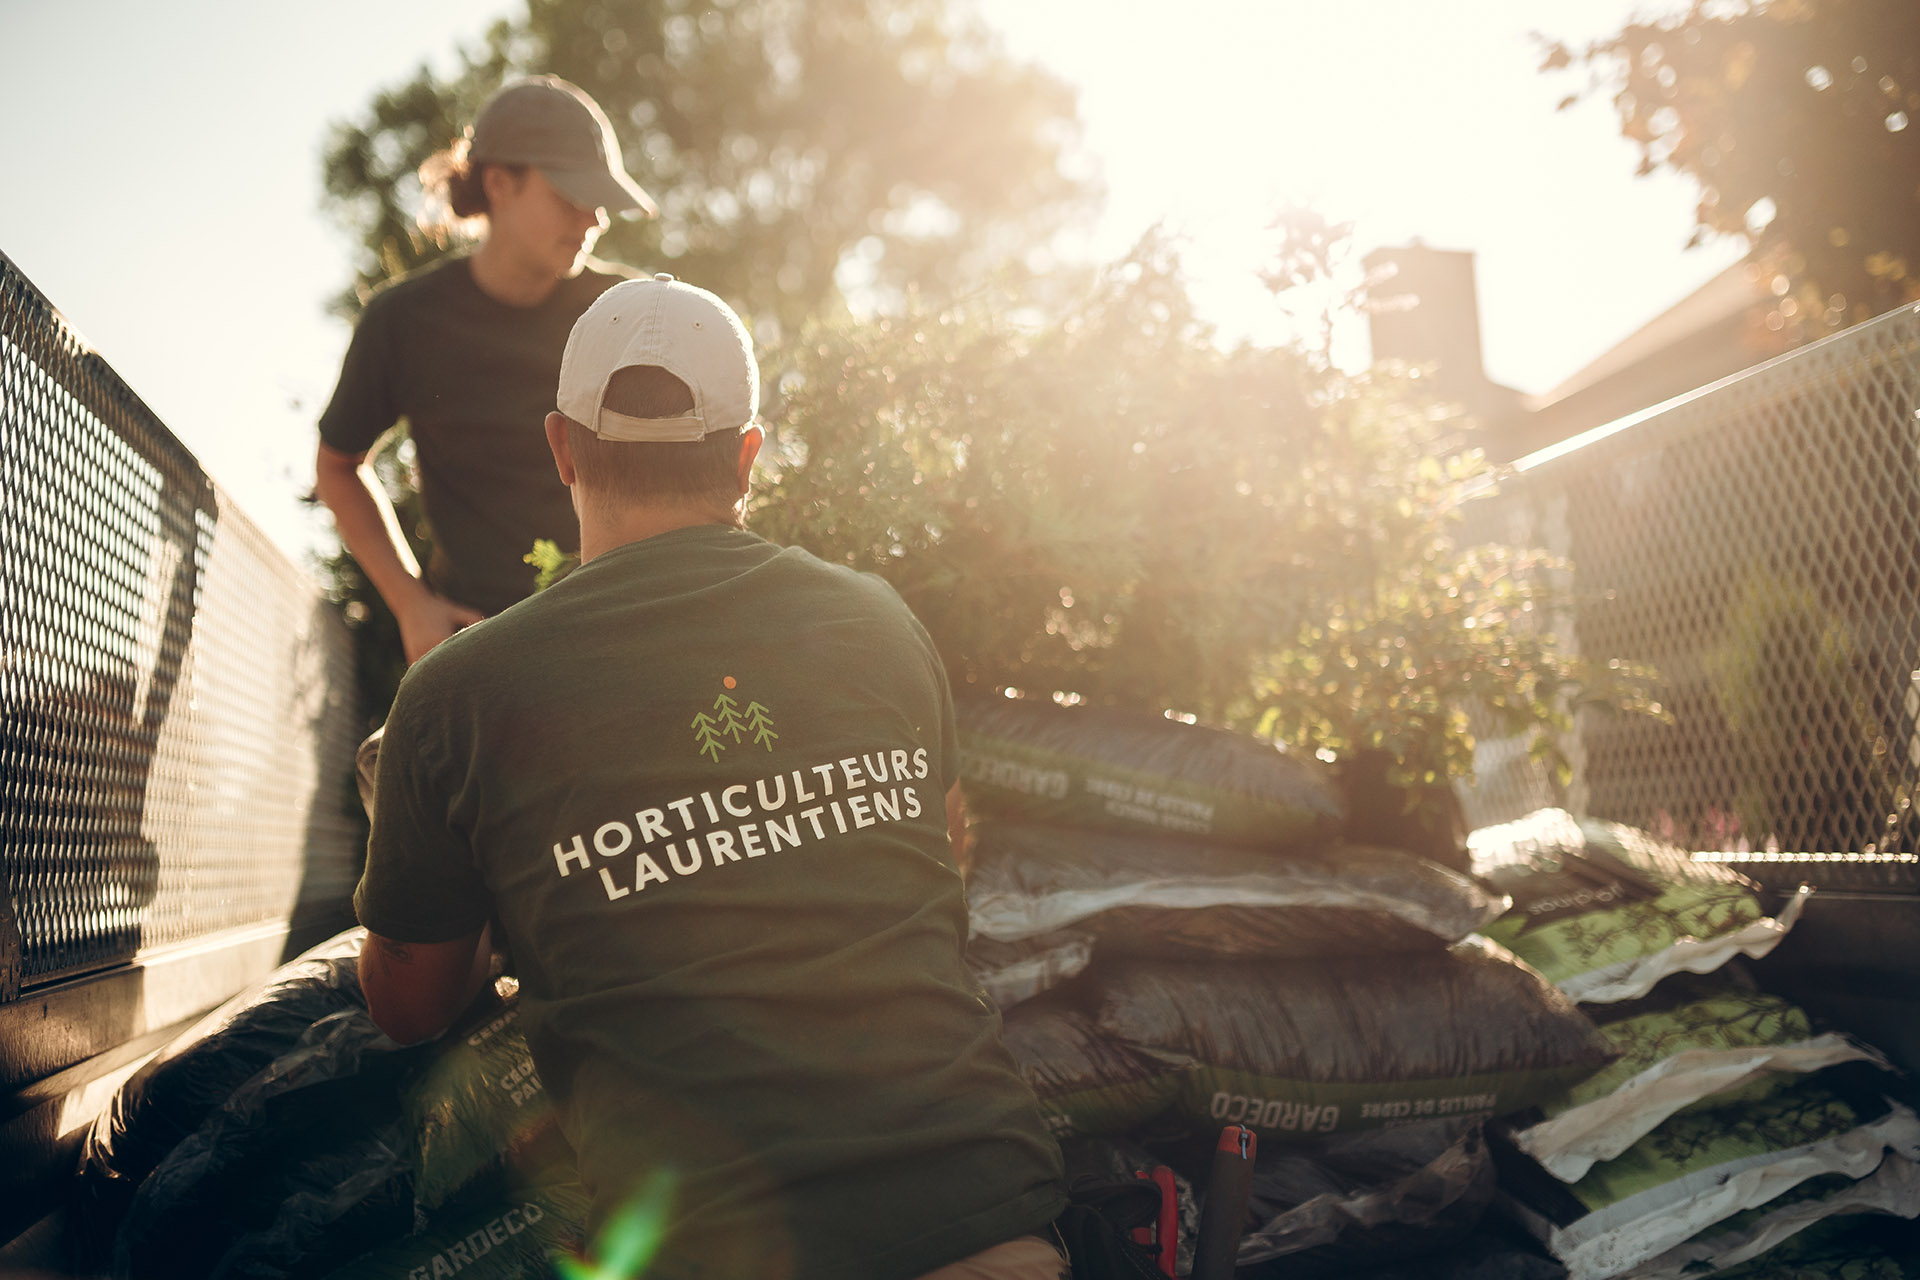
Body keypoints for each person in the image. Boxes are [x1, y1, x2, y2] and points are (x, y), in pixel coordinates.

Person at [352, 275, 1070, 1279]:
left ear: (561, 448)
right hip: (988, 1222)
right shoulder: (878, 620)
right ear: (747, 455)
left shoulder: (456, 695)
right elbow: (939, 863)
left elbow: (410, 1005)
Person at [314, 75, 653, 665]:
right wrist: (411, 602)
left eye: (600, 199)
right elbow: (337, 468)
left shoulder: (633, 311)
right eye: (571, 194)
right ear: (499, 184)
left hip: (621, 639)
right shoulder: (402, 321)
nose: (595, 219)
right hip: (477, 653)